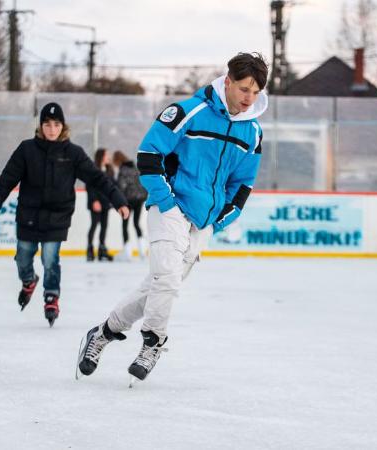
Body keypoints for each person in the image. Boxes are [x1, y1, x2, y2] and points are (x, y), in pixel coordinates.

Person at [77, 52, 269, 382]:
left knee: (157, 287)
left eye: (255, 92)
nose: (249, 98)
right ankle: (154, 341)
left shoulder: (252, 132)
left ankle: (104, 333)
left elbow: (242, 185)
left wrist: (219, 220)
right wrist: (167, 203)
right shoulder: (187, 112)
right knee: (166, 280)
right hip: (170, 209)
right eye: (243, 89)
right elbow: (149, 154)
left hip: (203, 222)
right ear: (228, 82)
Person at [0, 103, 129, 326]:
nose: (52, 129)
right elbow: (7, 179)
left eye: (56, 124)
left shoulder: (73, 154)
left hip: (57, 216)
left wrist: (118, 200)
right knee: (24, 255)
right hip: (28, 215)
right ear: (41, 126)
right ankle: (29, 280)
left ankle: (51, 295)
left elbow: (97, 179)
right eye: (47, 124)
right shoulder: (26, 150)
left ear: (63, 126)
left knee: (50, 259)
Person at [112, 150, 148, 261]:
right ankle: (142, 251)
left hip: (128, 200)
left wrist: (119, 201)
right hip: (140, 198)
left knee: (125, 224)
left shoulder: (123, 170)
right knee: (136, 223)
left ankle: (128, 252)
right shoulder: (135, 167)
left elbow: (121, 187)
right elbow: (142, 183)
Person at [86, 148, 115, 262]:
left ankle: (102, 250)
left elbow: (112, 186)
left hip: (106, 202)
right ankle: (89, 249)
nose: (108, 157)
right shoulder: (93, 168)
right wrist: (94, 201)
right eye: (106, 155)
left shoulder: (109, 169)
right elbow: (90, 186)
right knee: (94, 225)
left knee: (104, 226)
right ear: (101, 156)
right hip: (96, 202)